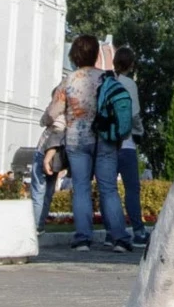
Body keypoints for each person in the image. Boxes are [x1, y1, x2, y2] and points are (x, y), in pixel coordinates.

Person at [46, 34, 130, 252]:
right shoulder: (107, 79)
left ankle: (83, 239)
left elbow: (52, 112)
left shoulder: (69, 80)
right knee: (109, 189)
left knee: (81, 188)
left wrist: (45, 121)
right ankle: (119, 238)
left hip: (77, 140)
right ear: (96, 55)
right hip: (105, 139)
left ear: (74, 55)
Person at [109, 46, 150, 247]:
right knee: (131, 189)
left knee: (109, 190)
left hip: (107, 144)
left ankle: (112, 232)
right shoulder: (129, 84)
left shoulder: (106, 83)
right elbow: (134, 114)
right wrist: (140, 132)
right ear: (131, 64)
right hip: (126, 143)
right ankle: (138, 231)